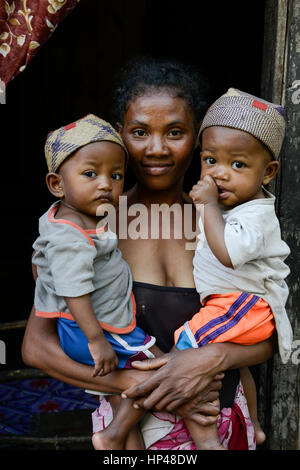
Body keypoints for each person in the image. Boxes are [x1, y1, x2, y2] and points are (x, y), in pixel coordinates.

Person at [22, 57, 276, 450]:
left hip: (219, 422)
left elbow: (265, 331)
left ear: (197, 138)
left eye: (175, 132)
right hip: (132, 433)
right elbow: (37, 347)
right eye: (140, 132)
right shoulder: (85, 231)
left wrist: (212, 359)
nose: (157, 149)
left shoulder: (228, 228)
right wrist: (141, 383)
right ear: (121, 135)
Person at [32, 113, 165, 450]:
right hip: (104, 333)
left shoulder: (65, 221)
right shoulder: (72, 236)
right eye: (90, 174)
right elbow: (73, 288)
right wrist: (96, 339)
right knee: (160, 372)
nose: (106, 183)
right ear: (56, 184)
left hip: (86, 331)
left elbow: (41, 266)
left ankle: (124, 442)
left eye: (116, 175)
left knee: (124, 403)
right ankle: (112, 435)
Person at [172, 88, 293, 449]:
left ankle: (206, 438)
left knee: (186, 346)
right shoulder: (228, 210)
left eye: (237, 165)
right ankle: (254, 424)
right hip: (236, 305)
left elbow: (227, 254)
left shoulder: (256, 216)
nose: (219, 174)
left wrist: (207, 205)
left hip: (244, 304)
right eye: (210, 161)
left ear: (268, 172)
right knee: (240, 369)